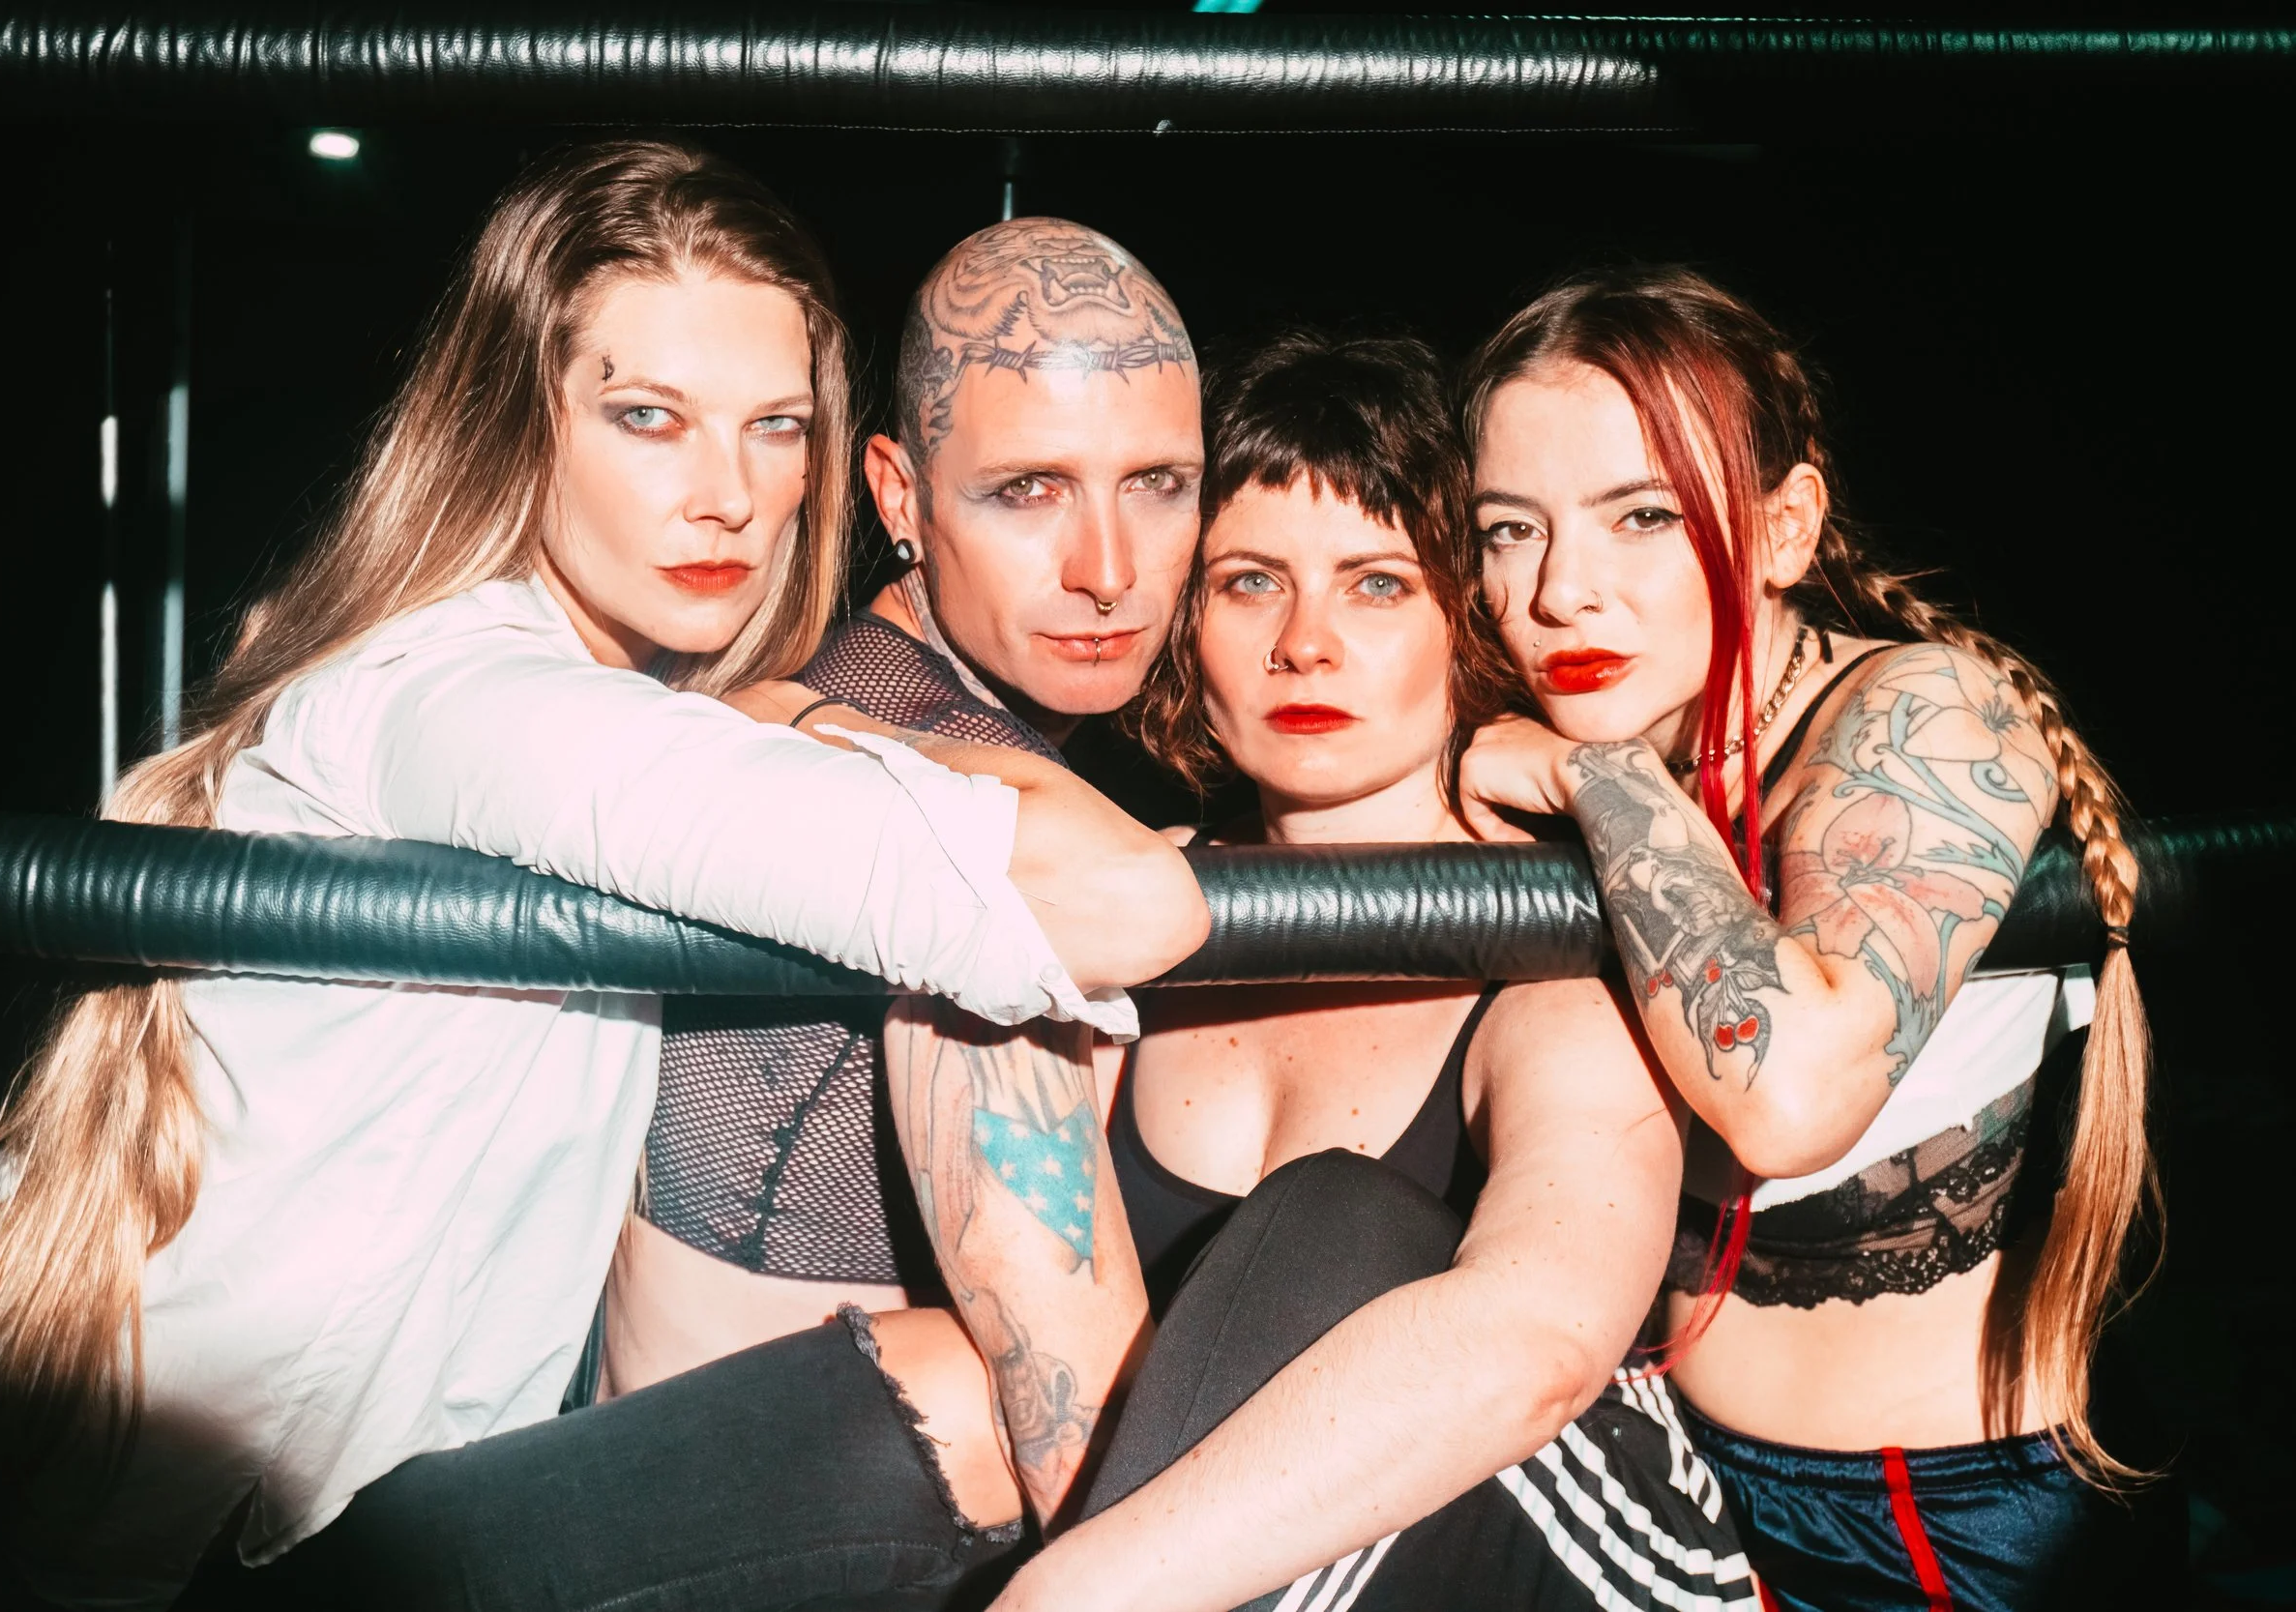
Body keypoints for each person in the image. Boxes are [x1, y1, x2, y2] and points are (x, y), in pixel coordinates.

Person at [0, 141, 1205, 1610]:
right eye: (649, 417)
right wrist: (806, 717)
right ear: (522, 426)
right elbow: (1126, 901)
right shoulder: (479, 702)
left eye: (775, 427)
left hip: (318, 1522)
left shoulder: (584, 700)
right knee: (963, 1393)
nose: (728, 494)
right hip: (196, 1564)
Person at [991, 331, 1757, 1612]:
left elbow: (1539, 1343)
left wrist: (1058, 1600)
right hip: (1226, 1562)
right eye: (1249, 582)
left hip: (1572, 1551)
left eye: (1378, 584)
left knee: (1338, 1216)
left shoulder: (1556, 939)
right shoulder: (1127, 904)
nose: (1306, 642)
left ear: (1466, 619)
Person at [1454, 267, 2171, 1608]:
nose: (1561, 591)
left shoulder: (1928, 712)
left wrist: (1592, 776)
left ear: (1785, 528)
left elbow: (1785, 1096)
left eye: (1642, 515)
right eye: (1510, 529)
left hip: (1942, 1528)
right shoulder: (1557, 757)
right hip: (1669, 1477)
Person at [599, 216, 1203, 1540]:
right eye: (1028, 490)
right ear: (898, 496)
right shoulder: (944, 809)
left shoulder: (861, 712)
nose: (1108, 572)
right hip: (769, 1536)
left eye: (1158, 483)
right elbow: (1077, 1430)